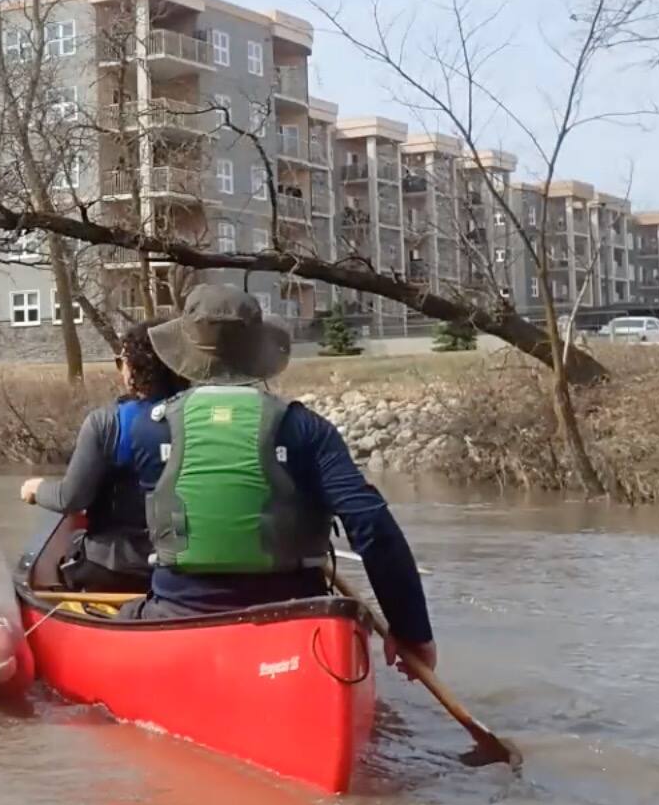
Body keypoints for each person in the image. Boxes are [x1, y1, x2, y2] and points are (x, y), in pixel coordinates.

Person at [130, 287, 438, 673]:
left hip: (178, 612)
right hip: (294, 620)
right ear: (259, 352)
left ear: (184, 357)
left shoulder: (147, 429)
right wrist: (412, 631)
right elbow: (372, 525)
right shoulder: (306, 428)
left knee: (126, 611)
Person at [17, 320, 190, 592]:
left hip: (116, 566)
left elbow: (71, 498)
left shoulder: (107, 422)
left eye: (120, 361)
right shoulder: (203, 418)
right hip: (187, 565)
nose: (120, 369)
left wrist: (37, 489)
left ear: (135, 367)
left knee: (73, 551)